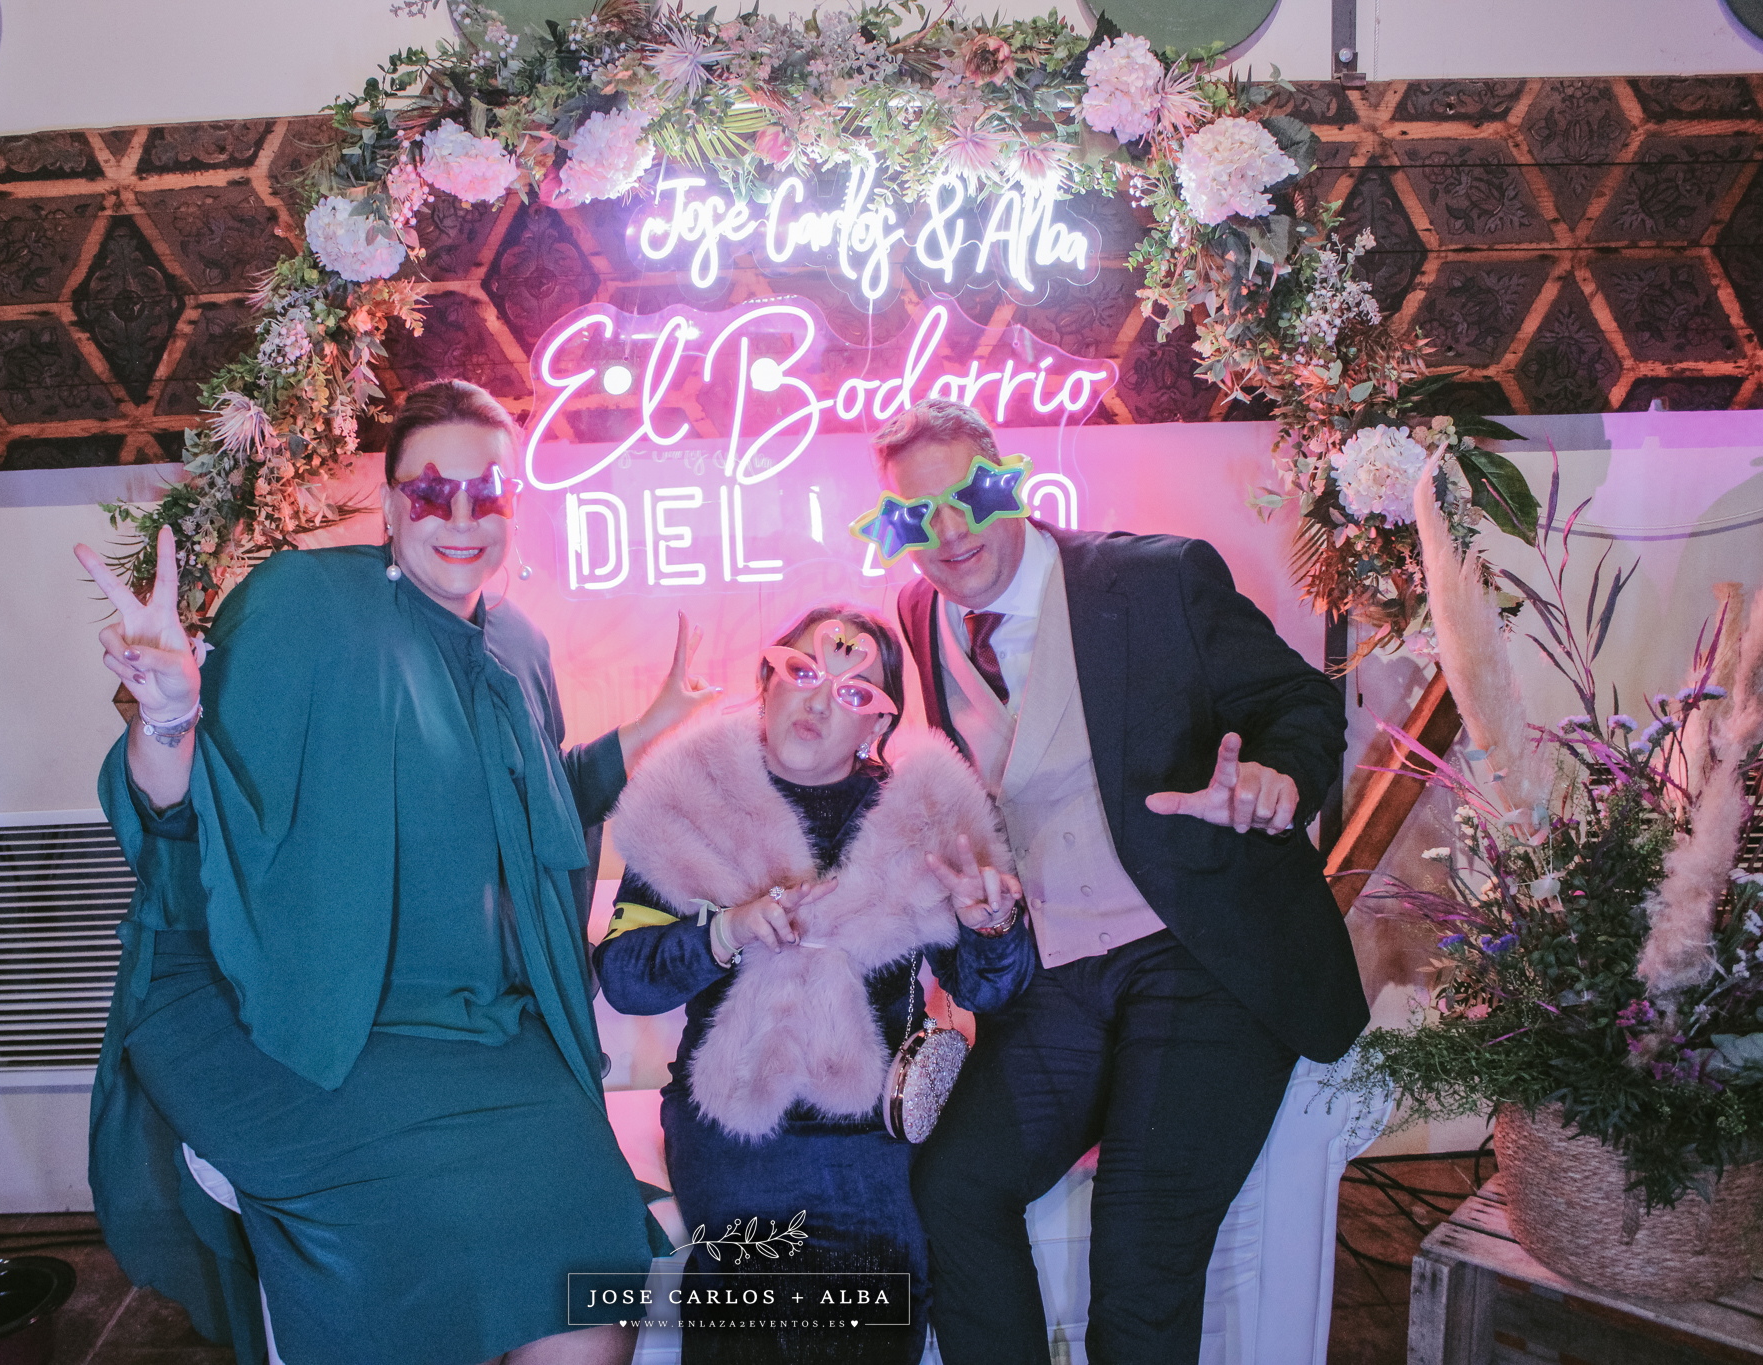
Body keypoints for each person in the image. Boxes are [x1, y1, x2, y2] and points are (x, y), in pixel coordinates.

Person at [74, 379, 718, 1365]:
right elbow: (188, 815)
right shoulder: (302, 605)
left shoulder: (518, 645)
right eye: (430, 492)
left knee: (590, 1252)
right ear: (387, 504)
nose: (459, 516)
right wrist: (168, 717)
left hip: (491, 1031)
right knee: (411, 1244)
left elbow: (531, 812)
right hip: (312, 1025)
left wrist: (653, 724)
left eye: (486, 492)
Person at [862, 400, 1369, 1365]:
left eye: (968, 496)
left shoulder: (1156, 577)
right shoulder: (922, 613)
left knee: (1137, 1267)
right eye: (916, 516)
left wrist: (1277, 778)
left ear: (1009, 482)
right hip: (1063, 974)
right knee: (955, 1187)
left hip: (1200, 953)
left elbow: (1298, 700)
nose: (950, 532)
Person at [592, 606, 1036, 1365]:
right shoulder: (691, 801)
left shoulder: (925, 816)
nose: (820, 701)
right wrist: (723, 933)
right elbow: (625, 978)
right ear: (765, 680)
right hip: (733, 1134)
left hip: (870, 1147)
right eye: (802, 671)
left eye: (856, 692)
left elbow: (988, 990)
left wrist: (991, 927)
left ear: (878, 724)